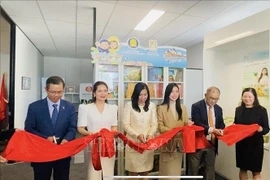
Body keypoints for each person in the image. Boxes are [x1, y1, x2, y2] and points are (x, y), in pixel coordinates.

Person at [24, 76, 77, 180]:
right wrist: (45, 138)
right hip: (41, 152)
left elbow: (72, 128)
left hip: (62, 153)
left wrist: (66, 140)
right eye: (53, 92)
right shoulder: (34, 107)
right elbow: (29, 128)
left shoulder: (69, 107)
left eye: (59, 92)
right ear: (46, 89)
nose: (56, 95)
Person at [77, 81, 118, 180]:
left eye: (105, 91)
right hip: (92, 144)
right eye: (100, 91)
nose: (103, 93)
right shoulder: (86, 108)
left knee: (108, 173)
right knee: (93, 174)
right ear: (94, 93)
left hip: (108, 145)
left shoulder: (112, 108)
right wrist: (90, 133)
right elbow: (80, 128)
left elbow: (114, 127)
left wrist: (111, 134)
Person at [187, 86, 225, 180]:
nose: (213, 101)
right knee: (193, 170)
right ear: (205, 95)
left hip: (212, 143)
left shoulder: (219, 109)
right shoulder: (196, 106)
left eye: (216, 99)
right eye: (211, 98)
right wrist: (212, 130)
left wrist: (222, 129)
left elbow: (221, 123)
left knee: (210, 170)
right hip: (198, 143)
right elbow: (197, 123)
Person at [122, 82, 157, 180]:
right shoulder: (129, 105)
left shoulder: (152, 106)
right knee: (133, 172)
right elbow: (126, 125)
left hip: (147, 143)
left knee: (145, 172)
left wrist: (150, 135)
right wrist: (137, 135)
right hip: (133, 143)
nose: (143, 97)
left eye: (145, 94)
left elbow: (154, 124)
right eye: (140, 95)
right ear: (136, 94)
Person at [234, 87, 269, 180]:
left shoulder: (262, 110)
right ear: (242, 97)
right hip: (241, 144)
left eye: (250, 97)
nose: (247, 99)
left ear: (255, 97)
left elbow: (266, 129)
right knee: (242, 169)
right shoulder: (238, 110)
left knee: (256, 171)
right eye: (245, 96)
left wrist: (260, 129)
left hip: (255, 145)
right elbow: (236, 125)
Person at [157, 83, 189, 180]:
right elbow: (160, 126)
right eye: (172, 91)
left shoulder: (183, 108)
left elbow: (185, 124)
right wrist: (172, 131)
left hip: (179, 144)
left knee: (175, 174)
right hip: (167, 143)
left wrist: (188, 125)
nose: (174, 94)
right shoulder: (161, 108)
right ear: (167, 93)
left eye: (176, 91)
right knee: (166, 172)